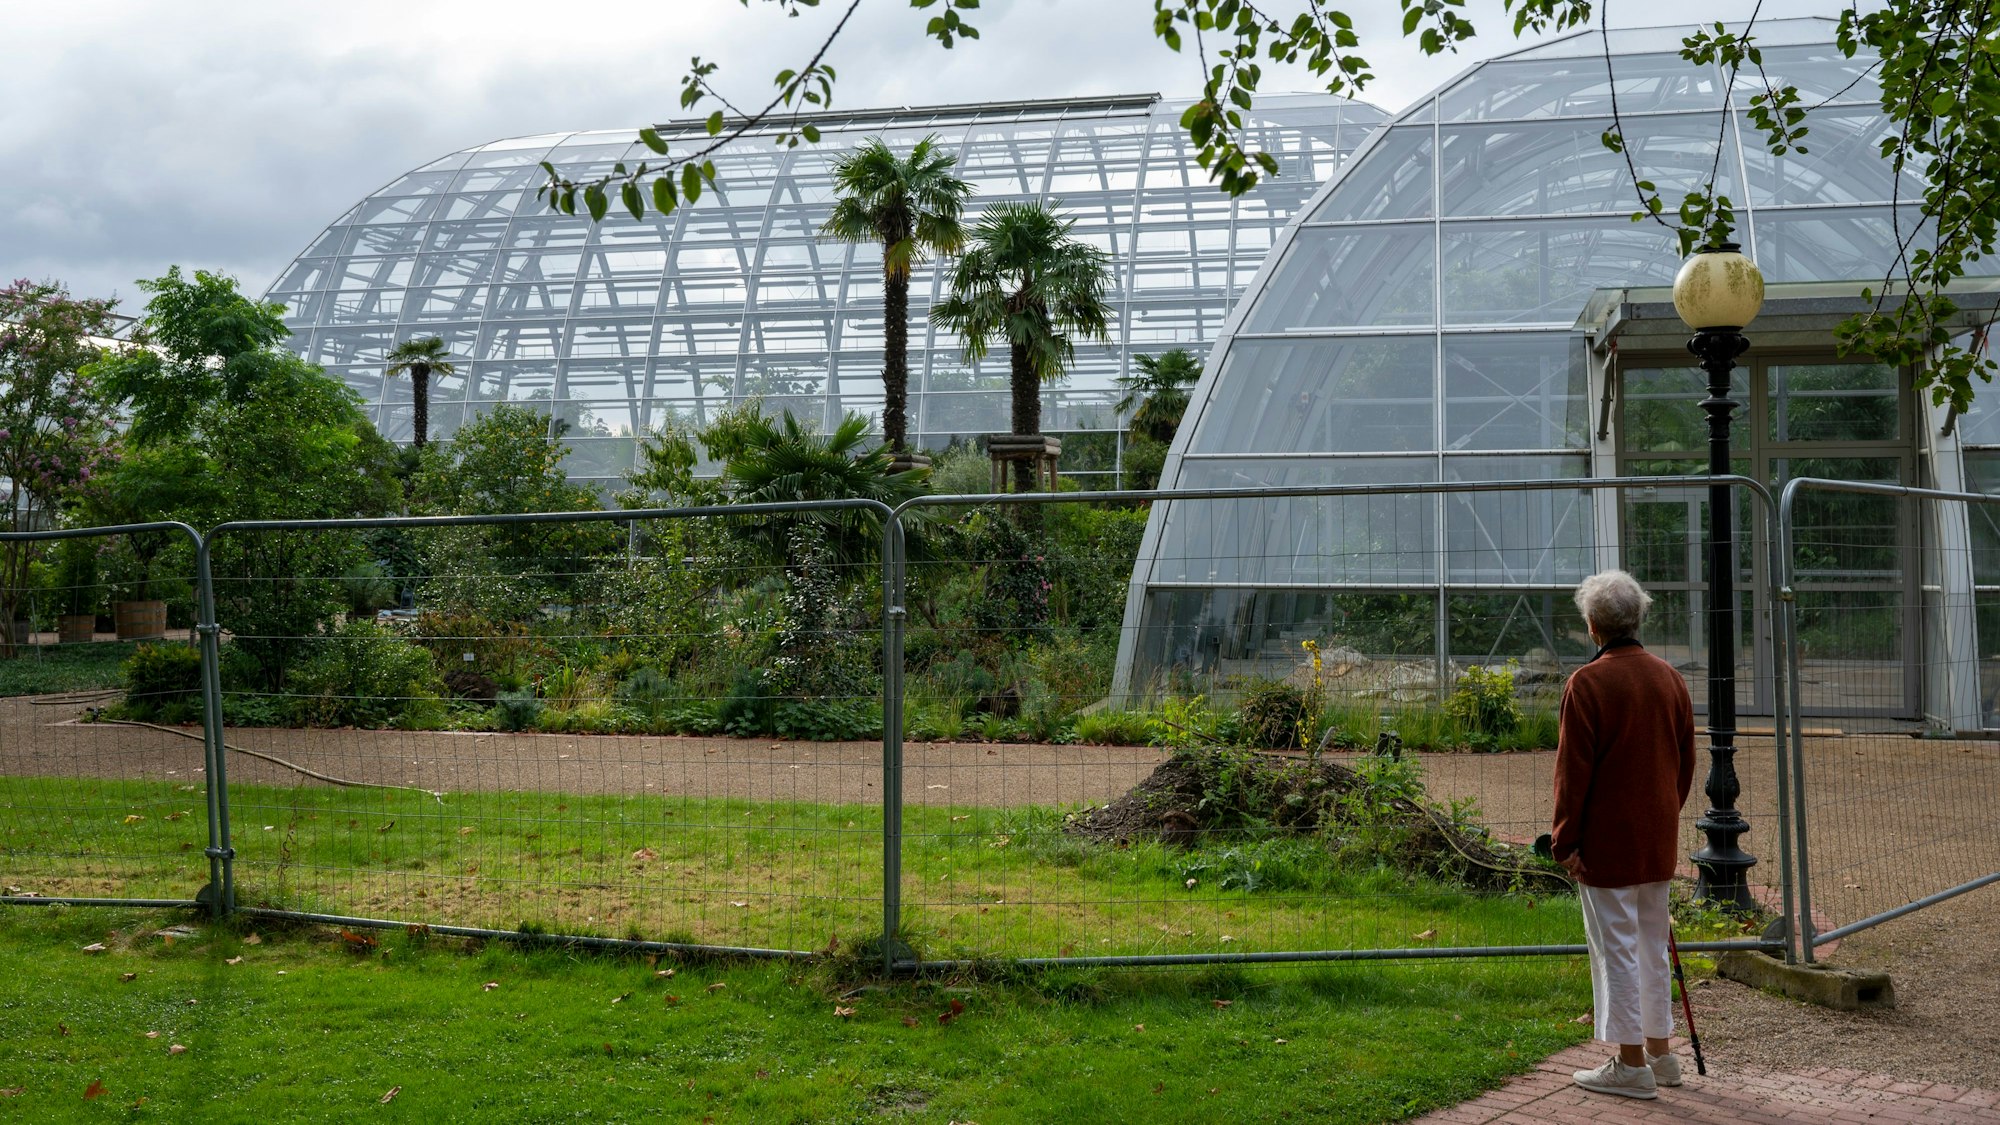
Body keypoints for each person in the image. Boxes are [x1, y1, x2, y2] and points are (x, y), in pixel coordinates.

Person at [1550, 569, 1697, 1100]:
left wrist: (1564, 842)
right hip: (1657, 837)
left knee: (1617, 948)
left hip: (1607, 842)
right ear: (1638, 619)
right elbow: (1684, 763)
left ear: (1593, 627)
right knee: (1652, 945)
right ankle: (1660, 1054)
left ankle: (1630, 1065)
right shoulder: (1669, 677)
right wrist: (1664, 815)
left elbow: (1573, 773)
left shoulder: (1587, 684)